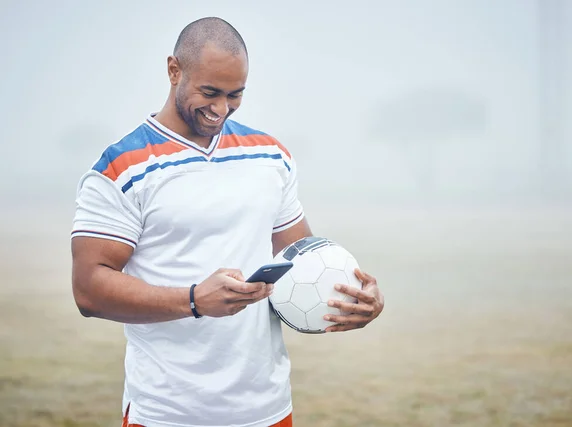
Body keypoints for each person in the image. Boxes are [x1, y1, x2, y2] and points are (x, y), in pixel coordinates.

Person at [71, 17, 384, 427]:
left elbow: (299, 260)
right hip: (166, 413)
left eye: (235, 95)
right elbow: (89, 290)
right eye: (210, 92)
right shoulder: (121, 168)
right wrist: (194, 299)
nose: (221, 109)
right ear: (174, 70)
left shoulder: (269, 155)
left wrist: (353, 298)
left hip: (267, 409)